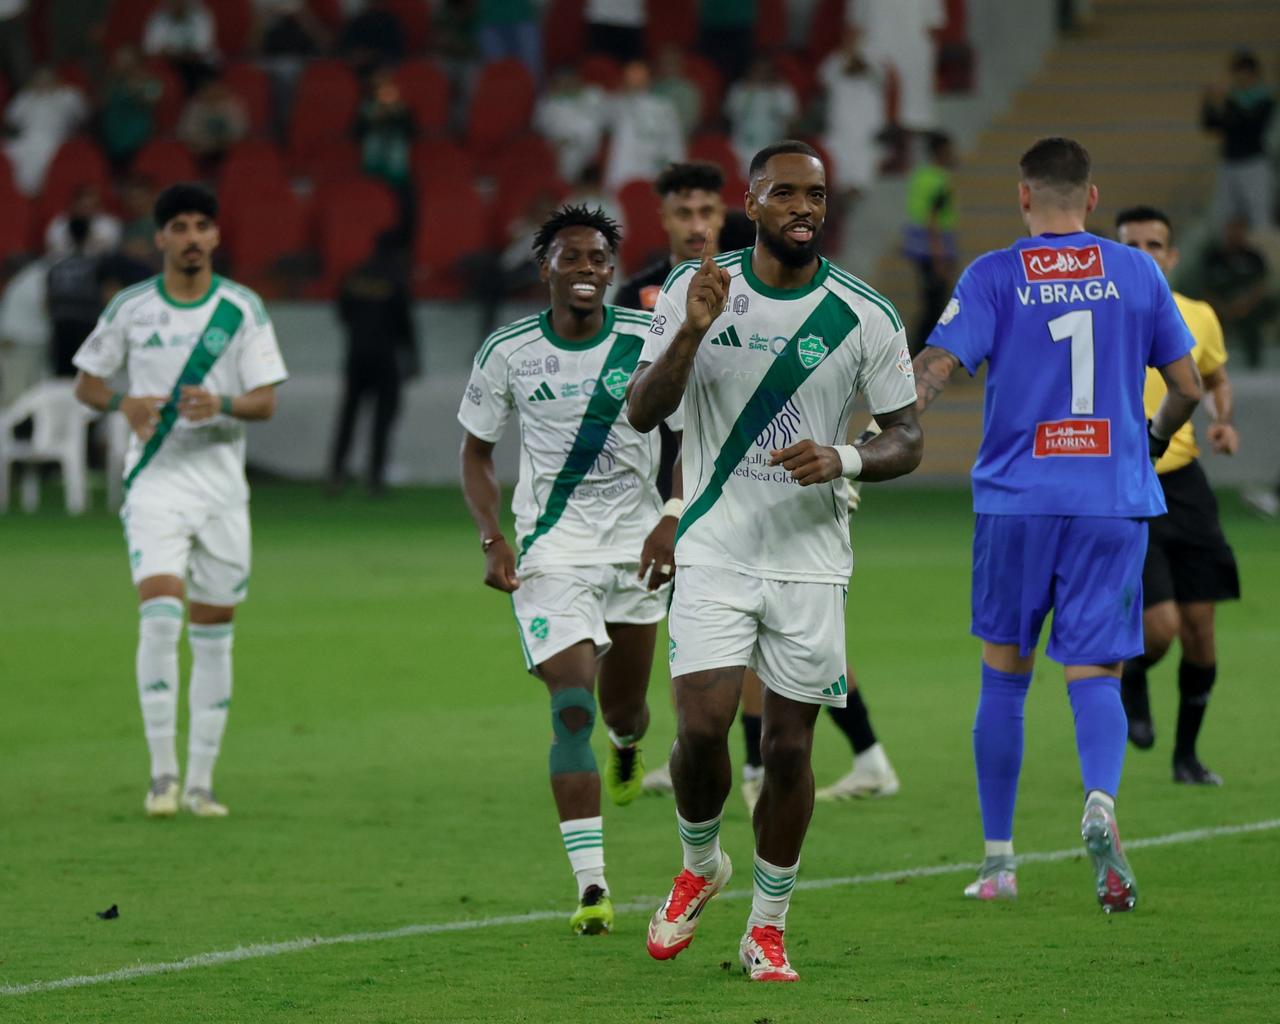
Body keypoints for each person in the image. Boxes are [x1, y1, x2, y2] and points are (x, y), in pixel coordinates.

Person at [628, 140, 923, 981]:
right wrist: (692, 333)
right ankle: (700, 863)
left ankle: (767, 927)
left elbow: (907, 436)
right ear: (750, 203)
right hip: (715, 544)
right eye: (785, 194)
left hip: (809, 558)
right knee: (700, 730)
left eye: (816, 196)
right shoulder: (695, 289)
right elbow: (643, 411)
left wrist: (847, 457)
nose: (804, 208)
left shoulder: (863, 313)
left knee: (789, 752)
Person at [911, 137, 1203, 911]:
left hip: (1017, 500)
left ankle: (999, 863)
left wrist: (883, 432)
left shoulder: (994, 274)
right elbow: (1187, 385)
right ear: (1092, 199)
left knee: (1004, 676)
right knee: (1097, 672)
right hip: (1111, 498)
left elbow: (935, 368)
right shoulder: (1136, 271)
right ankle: (1100, 802)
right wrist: (1151, 439)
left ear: (1023, 196)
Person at [457, 205, 683, 935]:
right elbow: (476, 452)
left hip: (638, 551)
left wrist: (672, 516)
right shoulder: (508, 350)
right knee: (572, 706)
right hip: (551, 554)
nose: (586, 269)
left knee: (624, 711)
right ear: (545, 268)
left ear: (611, 271)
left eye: (598, 259)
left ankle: (628, 746)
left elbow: (689, 437)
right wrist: (492, 537)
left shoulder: (647, 339)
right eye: (571, 257)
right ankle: (592, 887)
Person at [71, 183, 288, 819]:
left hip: (221, 490)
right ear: (161, 237)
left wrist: (222, 402)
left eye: (201, 226)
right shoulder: (132, 308)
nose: (192, 237)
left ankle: (201, 782)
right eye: (180, 227)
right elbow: (88, 384)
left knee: (214, 634)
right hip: (155, 482)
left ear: (215, 236)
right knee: (161, 615)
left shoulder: (241, 309)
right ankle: (161, 774)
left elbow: (266, 402)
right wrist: (124, 403)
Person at [1114, 206, 1241, 786]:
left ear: (1172, 255)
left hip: (1185, 484)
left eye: (1154, 245)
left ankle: (1186, 758)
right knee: (1160, 628)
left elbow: (1214, 378)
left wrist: (1223, 420)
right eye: (1131, 245)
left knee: (1200, 631)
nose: (1144, 255)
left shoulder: (1199, 315)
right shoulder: (1101, 314)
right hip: (1129, 484)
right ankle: (1133, 674)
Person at [328, 230, 417, 496]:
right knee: (382, 418)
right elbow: (405, 322)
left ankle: (336, 473)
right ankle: (375, 477)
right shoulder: (396, 278)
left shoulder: (355, 275)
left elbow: (342, 312)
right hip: (385, 357)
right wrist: (413, 358)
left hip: (356, 354)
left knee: (349, 415)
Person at [1202, 51, 1274, 232]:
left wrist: (1229, 99)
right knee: (1224, 215)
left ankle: (1262, 247)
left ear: (1254, 75)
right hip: (1229, 163)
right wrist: (1209, 102)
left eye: (1244, 73)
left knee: (1259, 215)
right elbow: (1211, 125)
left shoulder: (1265, 100)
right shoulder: (1232, 100)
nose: (1240, 78)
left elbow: (1250, 125)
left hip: (1253, 163)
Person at [902, 131, 957, 354]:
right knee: (935, 308)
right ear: (941, 152)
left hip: (918, 248)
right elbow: (932, 220)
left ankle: (917, 354)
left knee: (930, 306)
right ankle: (918, 354)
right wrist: (939, 257)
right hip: (933, 250)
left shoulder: (920, 176)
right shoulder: (940, 180)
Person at [2, 65, 87, 196]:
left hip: (55, 139)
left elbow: (82, 115)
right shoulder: (26, 97)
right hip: (26, 138)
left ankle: (34, 194)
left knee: (43, 156)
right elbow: (10, 119)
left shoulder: (68, 94)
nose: (43, 82)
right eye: (39, 79)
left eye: (47, 79)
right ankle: (20, 195)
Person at [1200, 220, 1274, 368]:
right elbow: (1205, 288)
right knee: (1205, 316)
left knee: (1254, 317)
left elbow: (1261, 286)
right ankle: (1208, 364)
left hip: (1249, 305)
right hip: (1220, 305)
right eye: (1232, 230)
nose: (1235, 234)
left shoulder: (1254, 256)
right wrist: (1223, 307)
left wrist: (1245, 305)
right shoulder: (1213, 257)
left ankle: (1255, 364)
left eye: (1239, 230)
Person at [604, 61, 684, 193]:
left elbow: (674, 144)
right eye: (632, 75)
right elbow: (605, 119)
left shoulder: (664, 107)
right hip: (624, 169)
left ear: (649, 79)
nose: (636, 80)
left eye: (640, 75)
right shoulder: (615, 103)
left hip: (654, 166)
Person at [725, 56, 800, 178]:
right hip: (742, 148)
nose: (761, 74)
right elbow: (729, 116)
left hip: (773, 149)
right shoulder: (739, 90)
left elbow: (792, 122)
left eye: (765, 71)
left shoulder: (783, 92)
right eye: (757, 70)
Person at [45, 217, 102, 377]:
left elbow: (48, 299)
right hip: (87, 324)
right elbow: (106, 294)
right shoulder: (96, 264)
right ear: (89, 234)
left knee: (62, 374)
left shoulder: (57, 265)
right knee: (85, 372)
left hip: (61, 324)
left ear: (68, 235)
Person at [45, 184, 122, 258]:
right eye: (82, 206)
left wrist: (89, 237)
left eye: (90, 206)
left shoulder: (109, 224)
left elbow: (109, 247)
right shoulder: (60, 223)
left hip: (100, 263)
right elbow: (54, 247)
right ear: (74, 204)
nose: (86, 210)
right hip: (65, 262)